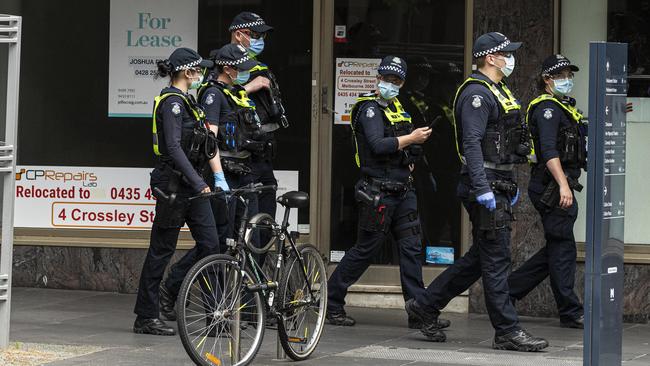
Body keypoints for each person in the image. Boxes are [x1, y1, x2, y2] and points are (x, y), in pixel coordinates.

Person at [405, 32, 549, 352]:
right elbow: (471, 142)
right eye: (505, 54)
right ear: (490, 58)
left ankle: (425, 305)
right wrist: (483, 186)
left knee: (478, 258)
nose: (510, 59)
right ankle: (507, 330)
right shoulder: (476, 94)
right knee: (496, 258)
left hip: (498, 182)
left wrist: (506, 184)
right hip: (483, 183)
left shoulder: (497, 90)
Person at [326, 56, 432, 327]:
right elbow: (377, 145)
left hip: (402, 189)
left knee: (411, 248)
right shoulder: (369, 108)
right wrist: (412, 139)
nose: (389, 84)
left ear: (402, 83)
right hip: (378, 191)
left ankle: (419, 311)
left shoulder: (398, 106)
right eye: (385, 79)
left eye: (395, 80)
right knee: (366, 250)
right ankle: (331, 302)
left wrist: (412, 153)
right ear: (378, 78)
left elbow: (404, 146)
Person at [134, 47, 222, 336]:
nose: (201, 74)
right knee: (161, 250)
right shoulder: (172, 102)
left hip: (193, 183)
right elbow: (172, 147)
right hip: (174, 184)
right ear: (187, 72)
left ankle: (215, 315)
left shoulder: (189, 102)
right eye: (198, 70)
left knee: (210, 245)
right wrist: (198, 182)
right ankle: (146, 316)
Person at [508, 54, 586, 329]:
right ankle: (570, 311)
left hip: (558, 186)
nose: (568, 80)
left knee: (556, 248)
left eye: (569, 74)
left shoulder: (562, 107)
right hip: (552, 187)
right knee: (562, 249)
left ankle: (508, 291)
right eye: (561, 75)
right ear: (547, 80)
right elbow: (549, 151)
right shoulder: (546, 110)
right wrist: (564, 184)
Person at [229, 12, 284, 259]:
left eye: (263, 35)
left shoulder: (259, 66)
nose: (260, 39)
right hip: (243, 160)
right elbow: (217, 101)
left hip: (264, 159)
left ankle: (259, 291)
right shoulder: (226, 63)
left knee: (265, 228)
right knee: (247, 231)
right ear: (239, 34)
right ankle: (245, 294)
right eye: (255, 35)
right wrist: (249, 87)